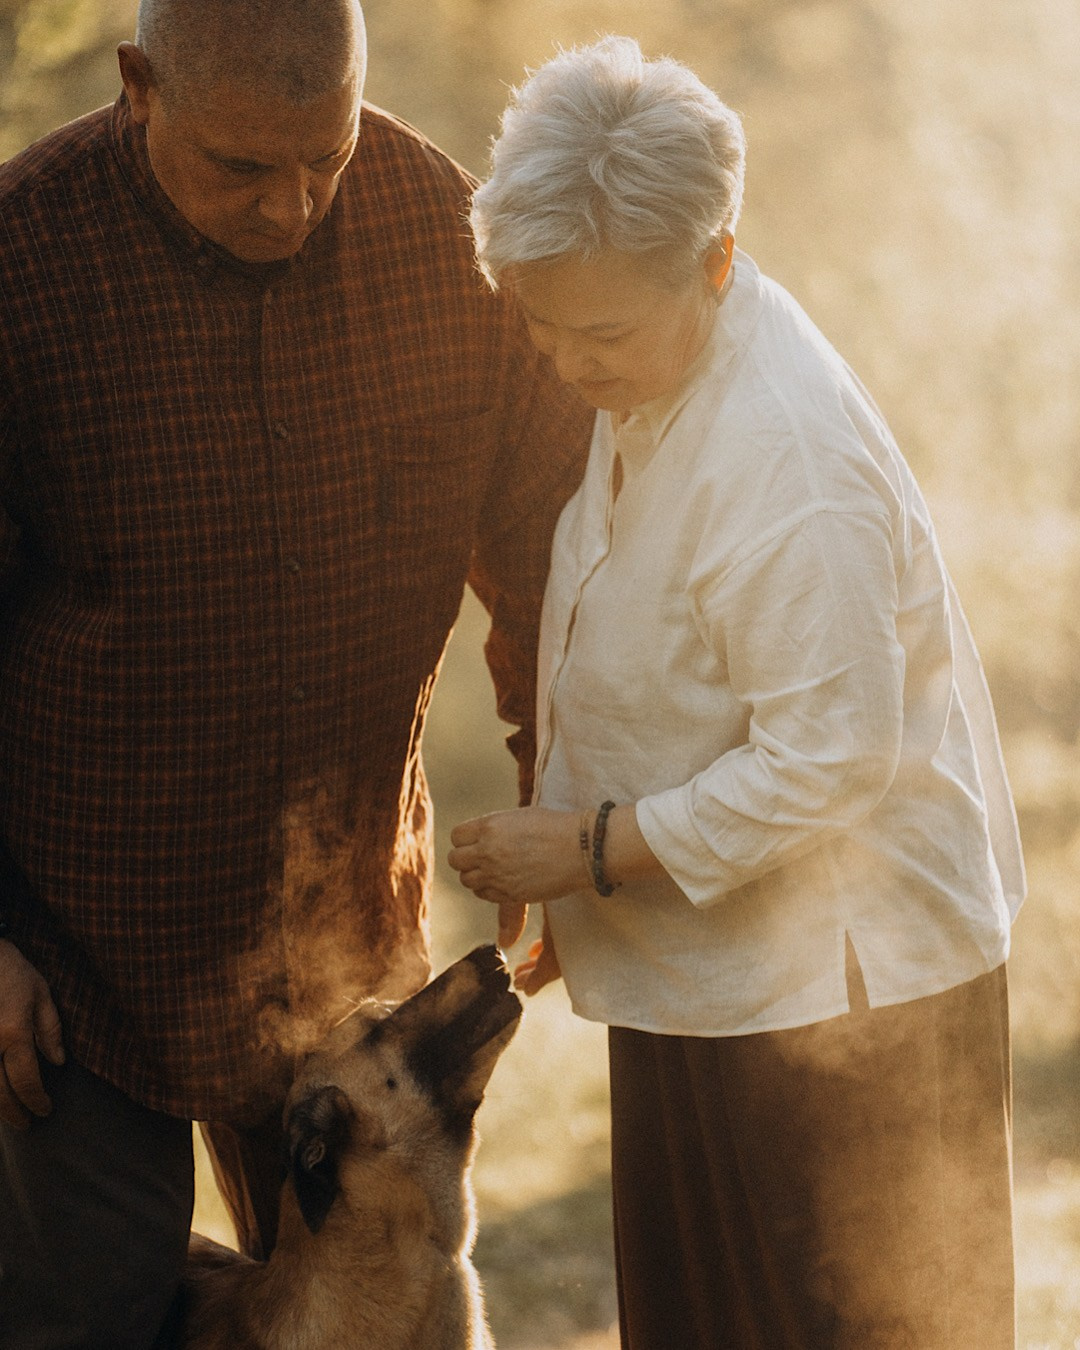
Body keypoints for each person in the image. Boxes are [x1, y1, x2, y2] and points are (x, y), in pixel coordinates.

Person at [0, 1, 591, 1344]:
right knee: (82, 1320)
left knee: (393, 1325)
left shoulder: (446, 242)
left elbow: (554, 558)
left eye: (325, 154)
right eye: (245, 168)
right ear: (138, 86)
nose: (296, 205)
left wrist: (566, 790)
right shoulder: (20, 266)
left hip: (350, 970)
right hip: (83, 969)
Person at [448, 35, 1026, 1349]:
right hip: (714, 973)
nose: (561, 362)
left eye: (596, 331)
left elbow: (829, 757)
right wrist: (581, 882)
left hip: (845, 1006)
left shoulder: (787, 461)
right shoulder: (661, 355)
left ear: (711, 259)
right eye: (538, 323)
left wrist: (586, 849)